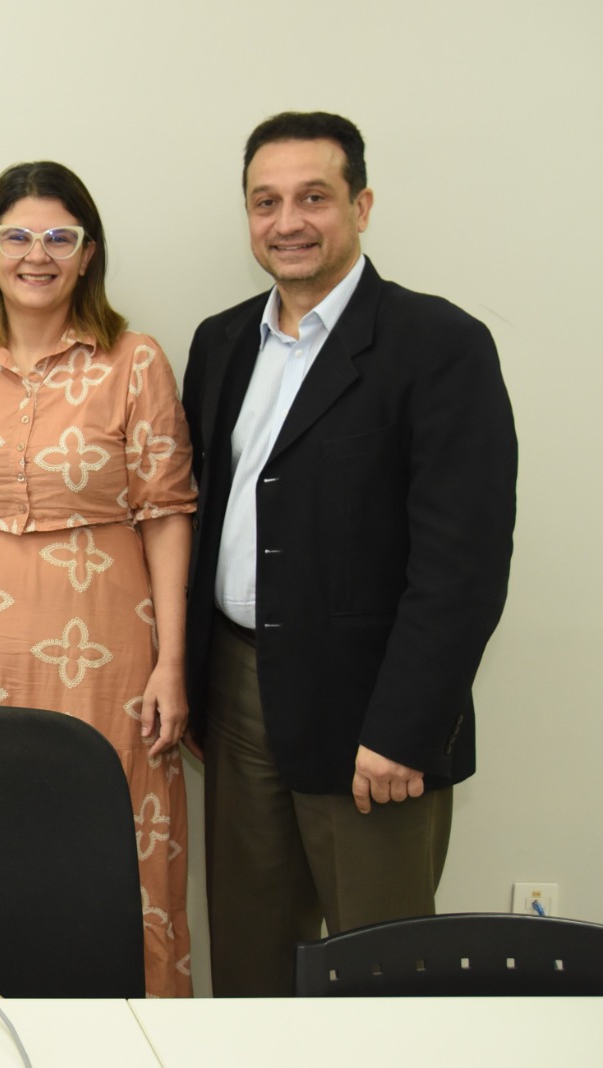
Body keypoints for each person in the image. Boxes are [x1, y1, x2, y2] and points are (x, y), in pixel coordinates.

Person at [182, 112, 517, 996]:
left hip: (372, 711)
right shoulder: (220, 343)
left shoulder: (439, 347)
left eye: (313, 197)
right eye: (266, 201)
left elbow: (464, 566)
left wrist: (403, 729)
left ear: (361, 205)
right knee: (251, 959)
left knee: (380, 971)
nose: (287, 221)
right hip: (238, 696)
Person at [0, 161, 196, 997]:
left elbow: (167, 511)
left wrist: (172, 660)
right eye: (18, 236)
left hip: (110, 648)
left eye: (60, 237)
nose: (38, 254)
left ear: (88, 254)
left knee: (113, 845)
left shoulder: (135, 361)